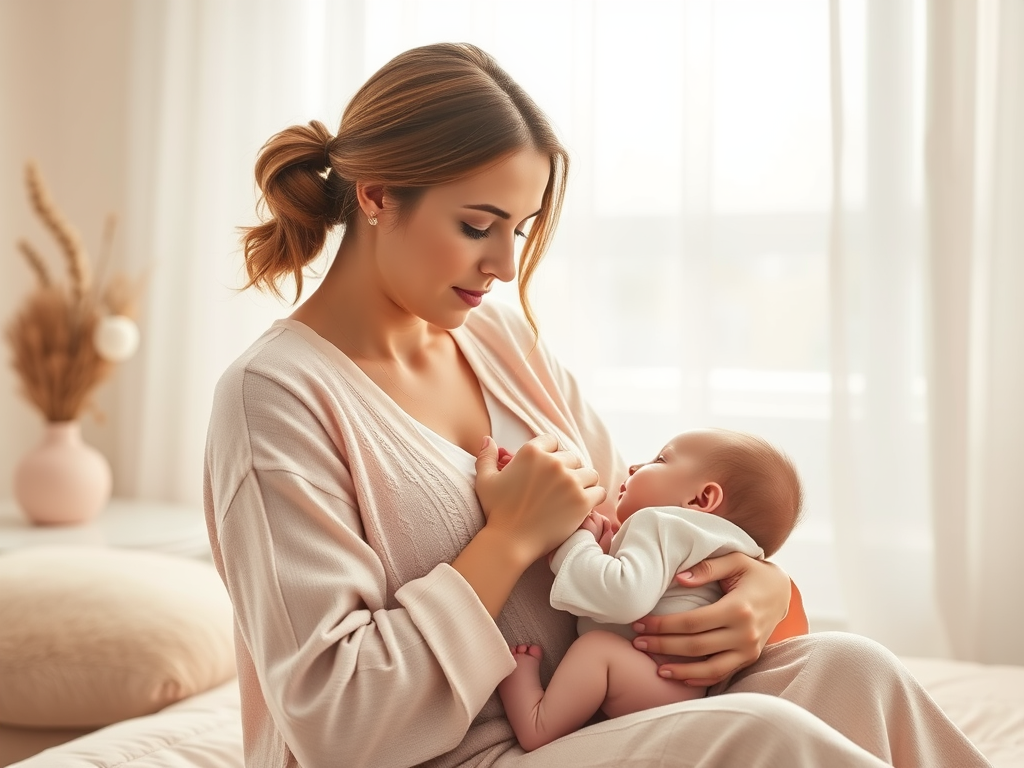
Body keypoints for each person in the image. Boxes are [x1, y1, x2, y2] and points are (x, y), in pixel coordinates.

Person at [203, 42, 991, 768]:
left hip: (594, 718)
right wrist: (507, 539)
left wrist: (759, 589)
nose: (506, 265)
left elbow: (642, 527)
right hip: (459, 754)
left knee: (853, 667)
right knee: (767, 738)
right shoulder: (274, 399)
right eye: (478, 225)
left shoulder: (503, 343)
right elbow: (335, 720)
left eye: (522, 228)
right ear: (377, 196)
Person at [497, 428, 803, 751]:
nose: (633, 467)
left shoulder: (662, 522)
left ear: (701, 499)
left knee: (596, 649)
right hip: (682, 688)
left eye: (660, 459)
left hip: (658, 683)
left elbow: (622, 596)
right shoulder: (715, 542)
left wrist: (572, 540)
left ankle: (538, 723)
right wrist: (603, 550)